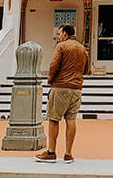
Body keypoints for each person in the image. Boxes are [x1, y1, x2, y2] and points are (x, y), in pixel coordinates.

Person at [35, 24, 89, 164]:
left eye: (60, 34)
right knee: (71, 120)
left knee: (54, 119)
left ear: (65, 34)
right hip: (76, 88)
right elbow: (86, 70)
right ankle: (68, 154)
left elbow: (54, 65)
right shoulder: (83, 49)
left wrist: (50, 79)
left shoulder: (61, 46)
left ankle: (51, 152)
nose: (59, 36)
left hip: (61, 86)